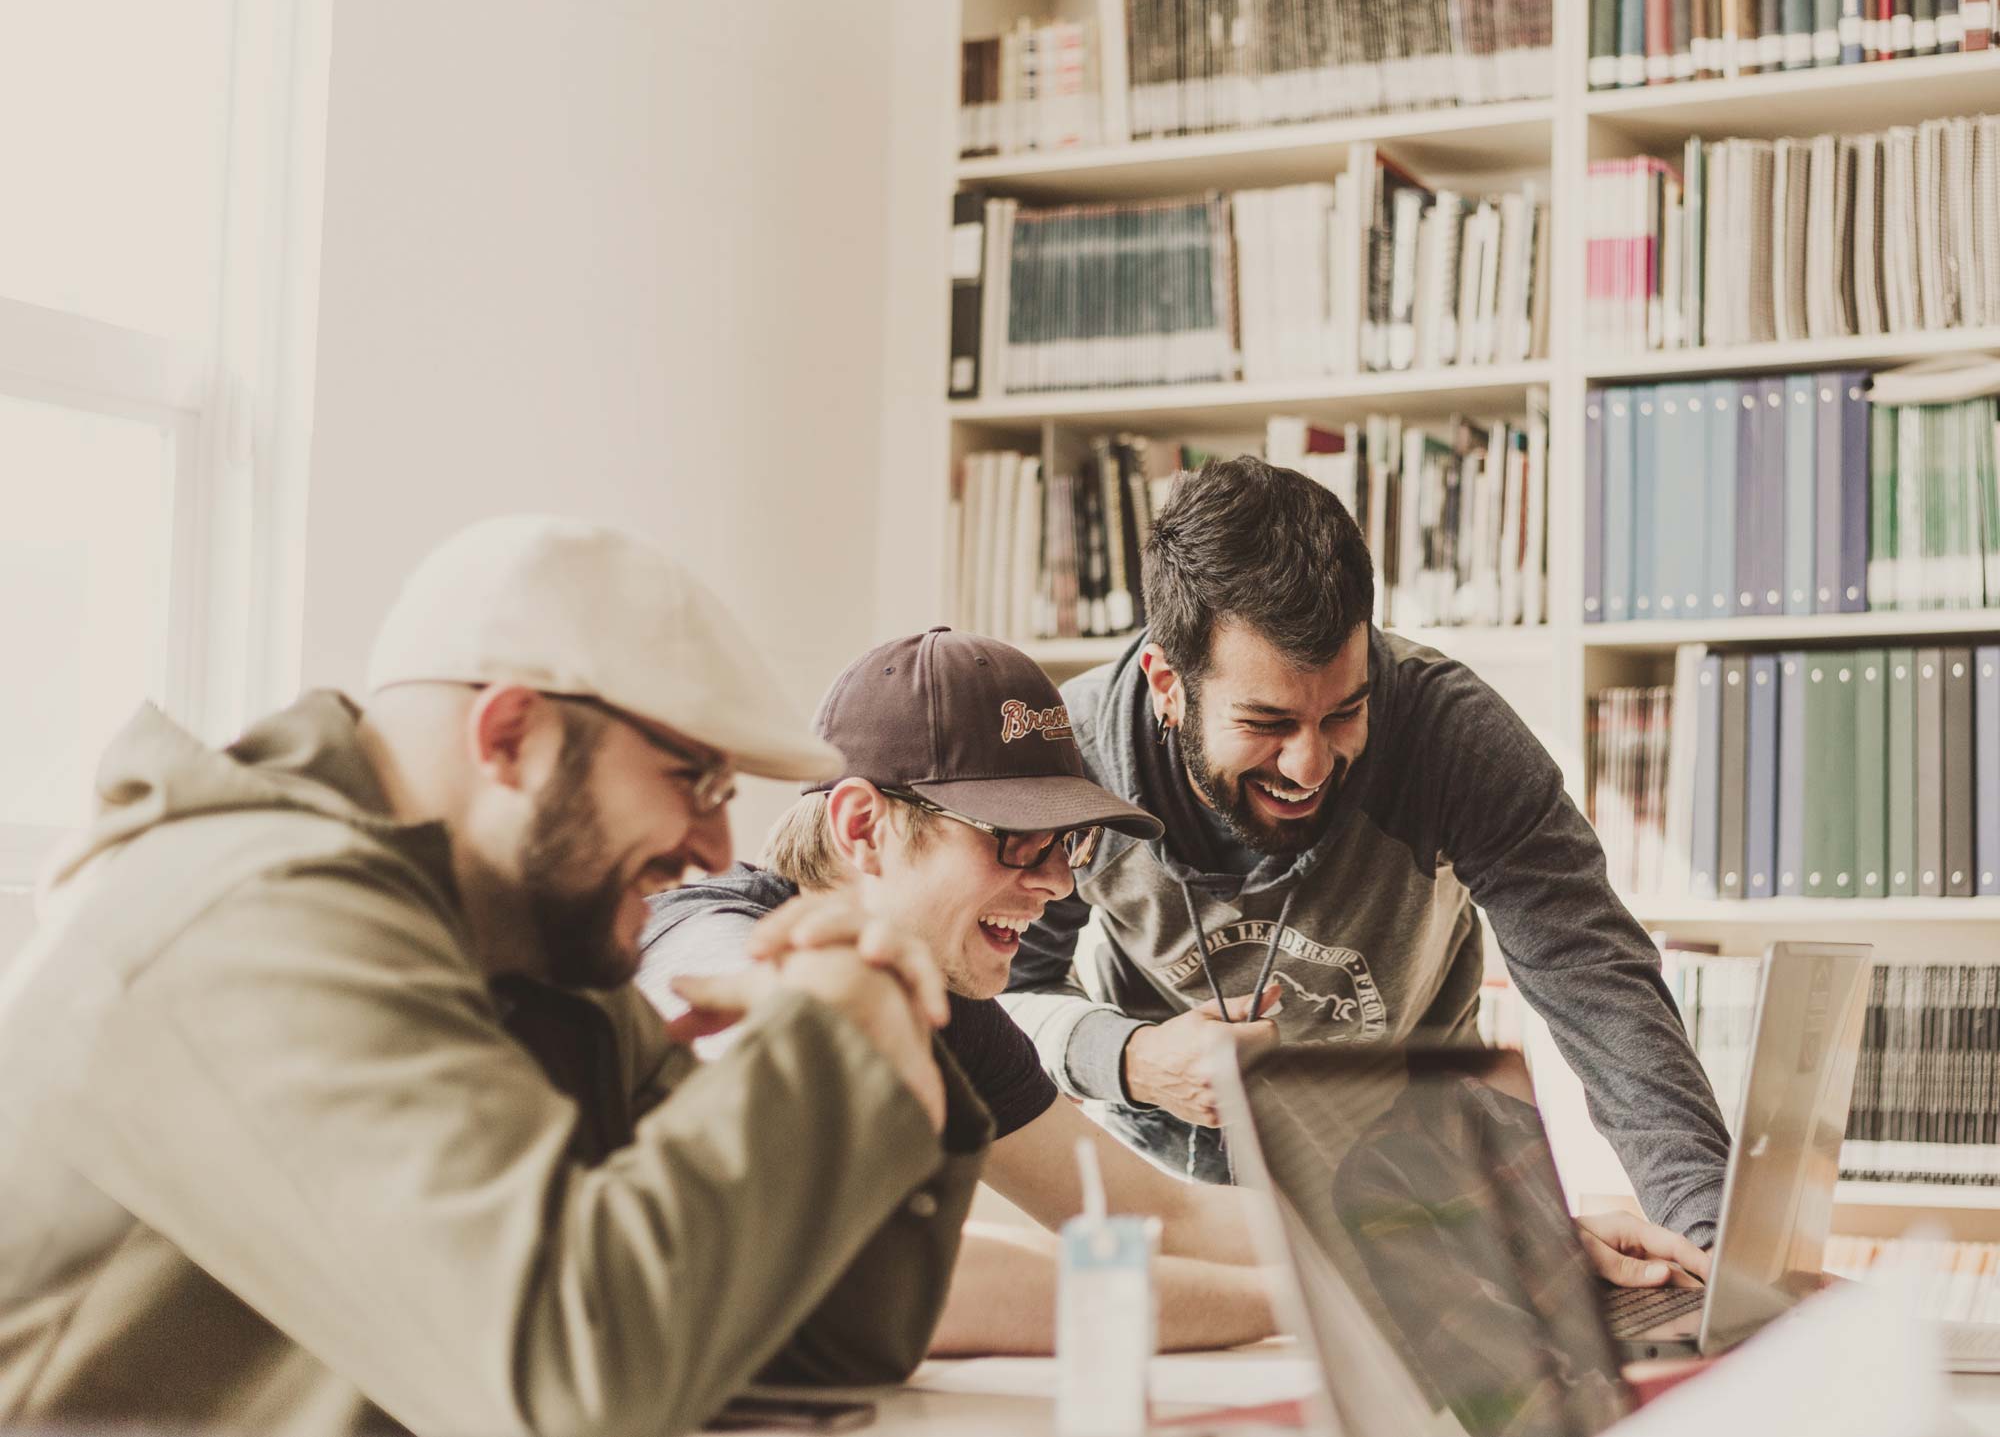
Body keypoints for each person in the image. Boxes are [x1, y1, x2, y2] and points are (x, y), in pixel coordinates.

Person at [0, 517, 986, 1437]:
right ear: (510, 734)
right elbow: (569, 1385)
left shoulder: (533, 954)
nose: (716, 844)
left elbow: (809, 1345)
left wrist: (885, 1034)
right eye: (692, 778)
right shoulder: (255, 920)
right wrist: (829, 1044)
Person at [642, 630, 1707, 1358]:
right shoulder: (713, 953)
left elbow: (1153, 1213)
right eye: (1014, 840)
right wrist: (1372, 1296)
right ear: (863, 826)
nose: (1058, 882)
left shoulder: (945, 1000)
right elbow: (887, 1278)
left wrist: (1493, 1241)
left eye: (1066, 845)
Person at [1002, 456, 1733, 1252]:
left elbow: (1600, 985)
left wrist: (1709, 1243)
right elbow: (1000, 999)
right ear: (1167, 683)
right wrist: (1131, 1057)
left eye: (1344, 712)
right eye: (1268, 723)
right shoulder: (1072, 762)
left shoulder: (1451, 736)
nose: (1309, 765)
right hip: (1168, 1203)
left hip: (1414, 1191)